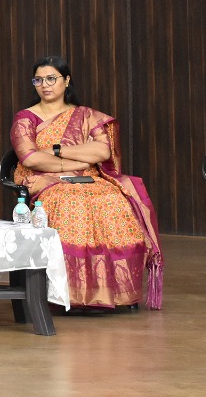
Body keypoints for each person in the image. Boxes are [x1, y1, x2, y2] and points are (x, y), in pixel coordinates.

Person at [10, 55, 163, 310]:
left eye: (51, 78)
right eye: (39, 80)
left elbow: (102, 151)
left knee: (114, 199)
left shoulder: (85, 115)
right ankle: (69, 294)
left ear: (66, 80)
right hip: (45, 181)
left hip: (90, 178)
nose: (45, 85)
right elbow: (31, 158)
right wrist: (76, 160)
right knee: (70, 202)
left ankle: (110, 292)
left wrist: (57, 151)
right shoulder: (26, 118)